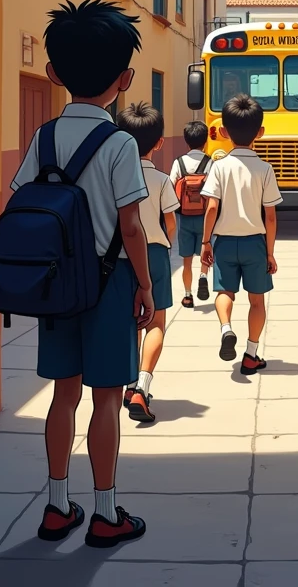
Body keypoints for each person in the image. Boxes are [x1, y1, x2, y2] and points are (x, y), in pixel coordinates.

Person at [10, 0, 153, 548]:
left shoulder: (43, 138)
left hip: (57, 284)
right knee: (107, 399)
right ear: (125, 78)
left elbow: (21, 198)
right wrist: (143, 284)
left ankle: (54, 505)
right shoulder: (119, 144)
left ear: (53, 74)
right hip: (109, 281)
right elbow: (132, 226)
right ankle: (106, 511)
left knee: (62, 396)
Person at [200, 94, 281, 375]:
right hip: (255, 242)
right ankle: (250, 354)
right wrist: (270, 252)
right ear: (260, 133)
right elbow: (270, 215)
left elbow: (212, 207)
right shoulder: (265, 169)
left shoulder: (219, 167)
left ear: (223, 132)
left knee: (225, 292)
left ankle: (225, 329)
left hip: (224, 241)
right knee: (257, 300)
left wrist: (206, 241)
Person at [117, 102, 179, 425]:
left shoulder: (114, 177)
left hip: (120, 256)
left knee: (129, 321)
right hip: (154, 253)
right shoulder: (163, 180)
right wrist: (164, 242)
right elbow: (170, 223)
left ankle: (127, 384)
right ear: (158, 143)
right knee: (155, 322)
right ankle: (143, 386)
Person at [169, 121, 213, 308]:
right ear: (205, 141)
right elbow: (214, 192)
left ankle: (187, 295)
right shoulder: (210, 162)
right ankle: (203, 275)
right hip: (204, 217)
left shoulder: (179, 163)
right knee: (205, 252)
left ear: (186, 141)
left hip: (185, 217)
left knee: (186, 260)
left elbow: (171, 187)